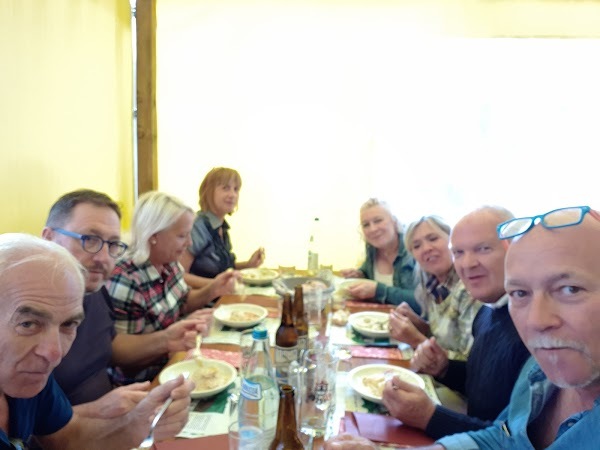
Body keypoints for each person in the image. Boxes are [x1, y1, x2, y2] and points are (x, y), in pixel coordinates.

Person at [327, 205, 600, 450]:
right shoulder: (536, 372)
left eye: (570, 289)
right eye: (520, 292)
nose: (537, 321)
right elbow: (504, 438)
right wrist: (443, 368)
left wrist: (431, 417)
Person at [0, 233, 193, 449]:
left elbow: (65, 435)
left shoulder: (27, 374)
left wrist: (138, 422)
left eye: (68, 325)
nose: (55, 354)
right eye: (28, 324)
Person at [42, 189, 211, 416]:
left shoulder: (95, 290)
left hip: (117, 414)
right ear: (49, 238)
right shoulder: (25, 312)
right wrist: (97, 412)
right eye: (89, 240)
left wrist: (167, 339)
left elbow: (111, 350)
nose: (103, 258)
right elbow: (28, 431)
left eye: (112, 244)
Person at [382, 206, 530, 439]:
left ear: (516, 249)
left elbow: (512, 440)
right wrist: (444, 368)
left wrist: (430, 416)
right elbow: (480, 388)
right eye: (459, 252)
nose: (468, 264)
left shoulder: (532, 331)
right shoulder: (489, 312)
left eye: (482, 249)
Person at [108, 190, 237, 384]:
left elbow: (182, 302)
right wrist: (168, 339)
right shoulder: (126, 277)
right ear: (153, 235)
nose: (190, 243)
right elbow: (121, 356)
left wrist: (212, 290)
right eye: (182, 236)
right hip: (143, 382)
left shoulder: (169, 263)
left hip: (175, 361)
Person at [389, 216, 482, 360]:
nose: (426, 248)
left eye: (433, 239)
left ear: (452, 241)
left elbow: (470, 363)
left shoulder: (469, 290)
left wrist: (416, 340)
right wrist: (421, 326)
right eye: (417, 245)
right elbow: (445, 340)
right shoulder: (432, 286)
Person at [179, 167, 265, 288]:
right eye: (226, 188)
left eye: (236, 189)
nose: (232, 195)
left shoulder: (221, 227)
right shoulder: (198, 226)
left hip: (219, 298)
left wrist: (249, 265)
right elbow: (179, 275)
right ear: (209, 192)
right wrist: (216, 285)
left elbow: (222, 270)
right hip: (201, 302)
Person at [340, 198, 418, 310]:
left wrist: (379, 291)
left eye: (378, 221)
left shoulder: (414, 250)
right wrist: (359, 275)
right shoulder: (372, 249)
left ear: (395, 222)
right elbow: (366, 274)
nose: (372, 229)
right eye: (366, 225)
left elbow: (424, 303)